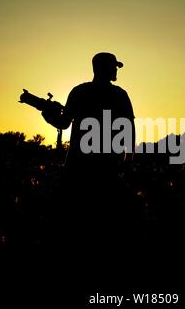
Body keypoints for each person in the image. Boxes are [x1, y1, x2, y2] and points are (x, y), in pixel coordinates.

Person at [41, 52, 137, 250]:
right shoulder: (119, 95)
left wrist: (48, 116)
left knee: (76, 221)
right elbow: (129, 129)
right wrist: (128, 160)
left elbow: (63, 122)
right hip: (106, 168)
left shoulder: (79, 92)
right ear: (103, 68)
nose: (116, 70)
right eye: (113, 67)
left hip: (79, 167)